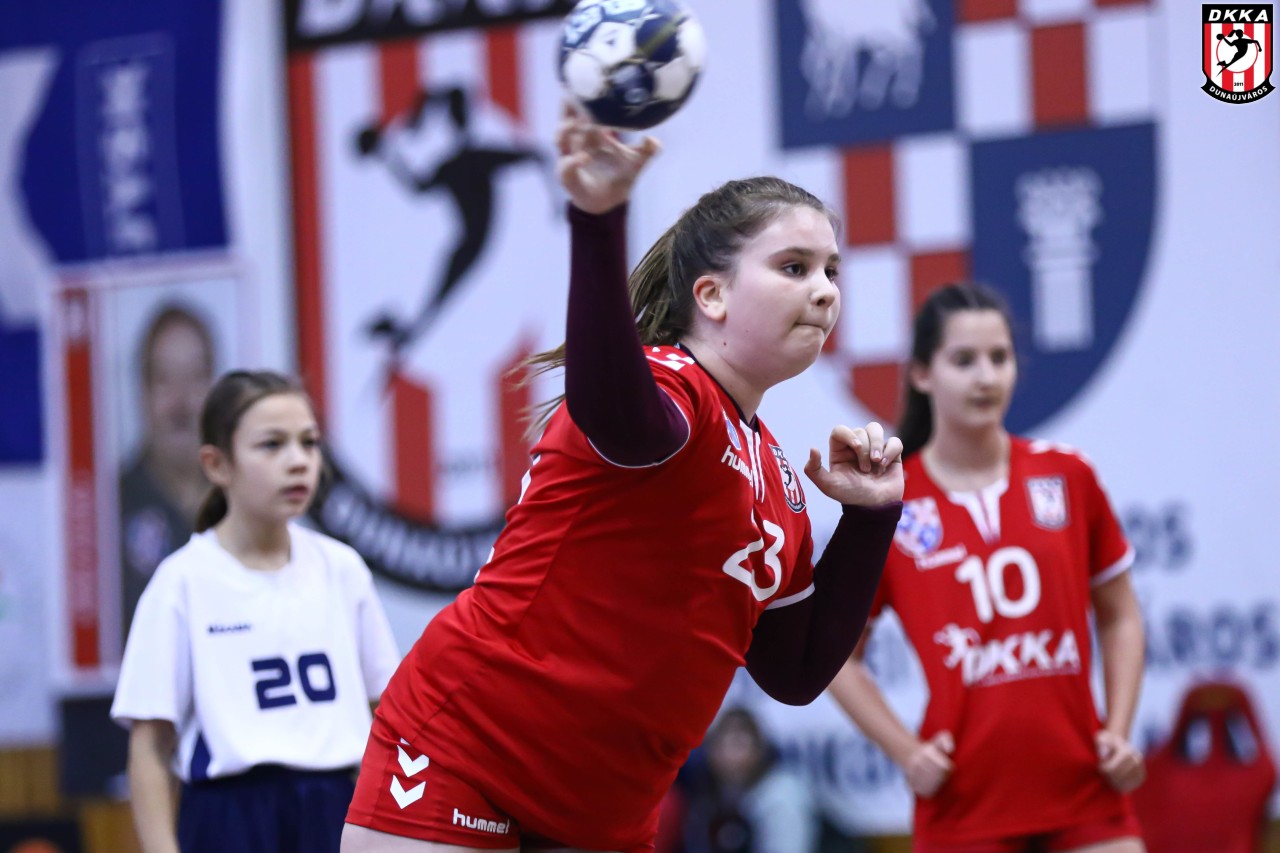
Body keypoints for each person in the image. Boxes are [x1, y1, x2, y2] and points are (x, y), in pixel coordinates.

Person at [341, 107, 905, 852]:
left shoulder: (780, 479)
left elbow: (795, 672)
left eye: (832, 270)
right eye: (794, 267)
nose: (826, 289)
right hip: (465, 756)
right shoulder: (672, 389)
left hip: (601, 818)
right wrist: (598, 220)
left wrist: (871, 518)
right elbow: (614, 410)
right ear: (711, 295)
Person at [826, 283, 1147, 853]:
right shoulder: (892, 503)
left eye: (1000, 358)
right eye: (964, 360)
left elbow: (1121, 614)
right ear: (922, 374)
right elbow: (837, 657)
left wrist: (1118, 731)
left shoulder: (1068, 475)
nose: (986, 377)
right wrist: (906, 752)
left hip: (1084, 788)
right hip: (963, 805)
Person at [111, 370, 402, 853]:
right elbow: (150, 748)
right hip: (229, 817)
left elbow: (388, 711)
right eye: (272, 444)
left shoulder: (342, 568)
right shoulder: (181, 582)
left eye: (309, 443)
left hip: (337, 807)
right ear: (217, 465)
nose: (298, 461)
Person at [119, 304, 216, 636]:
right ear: (142, 393)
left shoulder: (244, 502)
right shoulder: (109, 509)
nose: (181, 403)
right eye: (164, 380)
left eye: (195, 377)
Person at [679, 707, 819, 853]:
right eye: (721, 744)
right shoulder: (710, 792)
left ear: (758, 748)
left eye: (738, 744)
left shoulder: (781, 795)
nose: (728, 754)